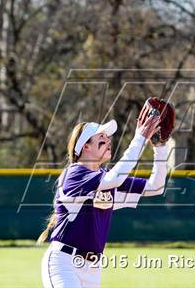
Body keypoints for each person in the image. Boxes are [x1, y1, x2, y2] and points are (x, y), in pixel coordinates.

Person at [39, 107, 168, 288]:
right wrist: (140, 137)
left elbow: (156, 187)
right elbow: (114, 178)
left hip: (93, 269)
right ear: (85, 146)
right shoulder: (74, 174)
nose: (108, 140)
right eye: (101, 137)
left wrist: (160, 146)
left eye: (108, 137)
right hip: (64, 264)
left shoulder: (106, 179)